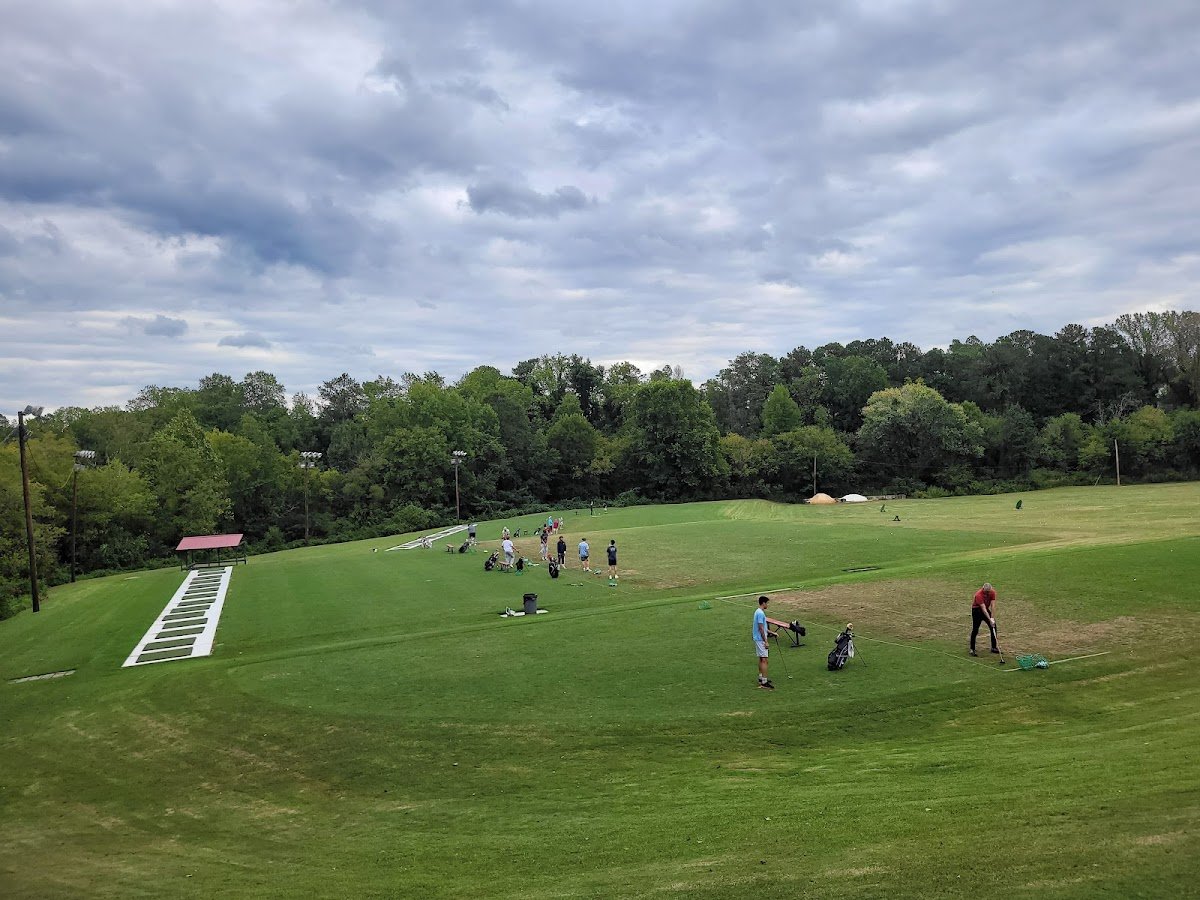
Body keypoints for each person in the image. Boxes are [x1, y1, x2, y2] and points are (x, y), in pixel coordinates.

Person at [970, 582, 999, 656]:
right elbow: (983, 609)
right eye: (986, 592)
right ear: (983, 589)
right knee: (975, 629)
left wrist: (992, 618)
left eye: (989, 591)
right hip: (977, 610)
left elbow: (992, 606)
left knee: (993, 627)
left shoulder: (992, 592)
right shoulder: (978, 595)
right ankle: (972, 649)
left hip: (985, 609)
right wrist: (989, 619)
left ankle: (993, 647)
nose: (988, 593)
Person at [753, 596, 774, 690]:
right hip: (760, 639)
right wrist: (766, 641)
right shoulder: (760, 613)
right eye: (767, 603)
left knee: (761, 659)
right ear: (763, 603)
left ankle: (761, 678)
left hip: (758, 639)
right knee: (765, 660)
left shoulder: (757, 612)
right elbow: (761, 628)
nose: (767, 605)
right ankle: (764, 682)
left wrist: (772, 632)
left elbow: (763, 627)